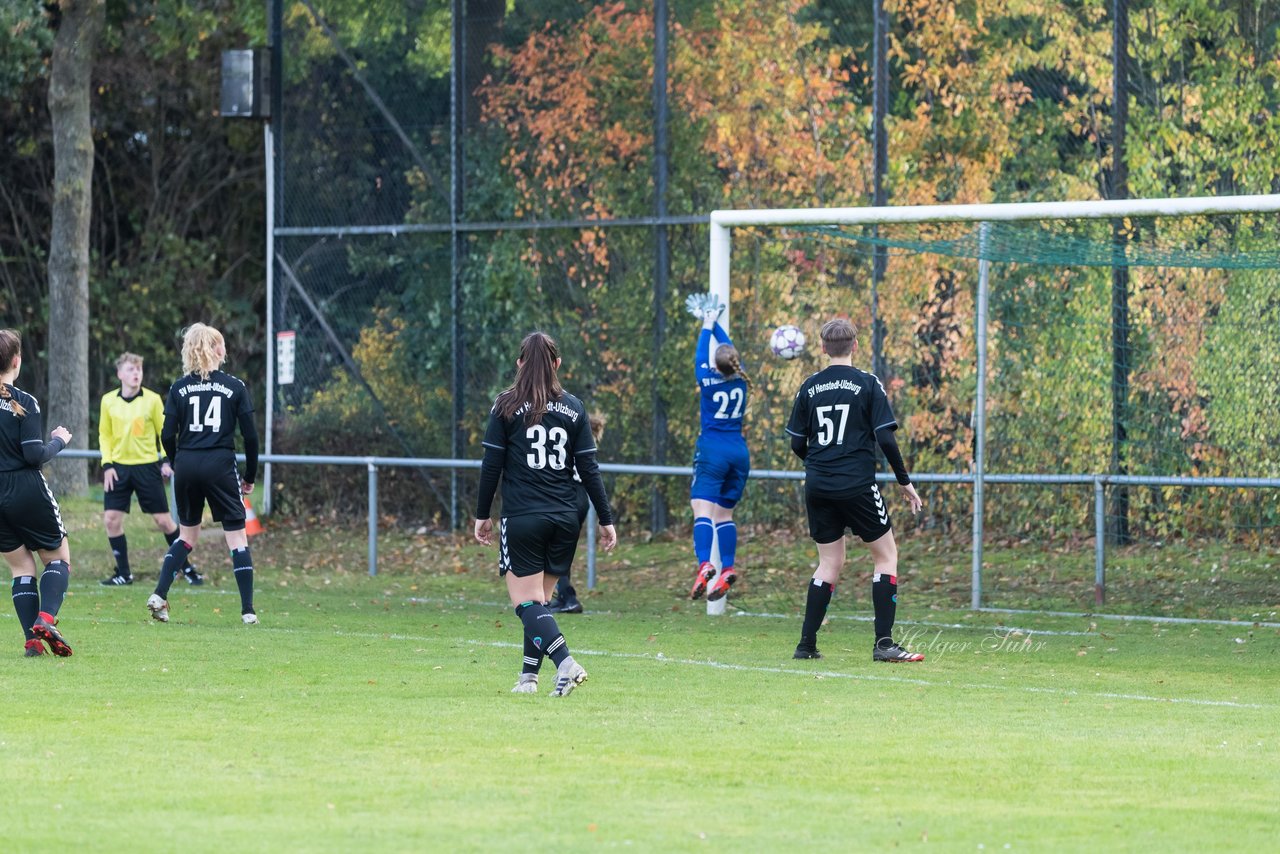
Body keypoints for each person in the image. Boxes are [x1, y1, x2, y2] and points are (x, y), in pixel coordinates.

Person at [474, 332, 617, 697]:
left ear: (520, 363)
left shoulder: (505, 405)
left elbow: (491, 466)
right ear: (557, 364)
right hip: (566, 518)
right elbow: (590, 469)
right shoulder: (574, 407)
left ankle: (566, 664)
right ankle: (528, 679)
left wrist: (482, 514)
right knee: (539, 605)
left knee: (525, 604)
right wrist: (605, 518)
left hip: (524, 516)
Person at [785, 317, 924, 663]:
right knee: (886, 556)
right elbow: (886, 438)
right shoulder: (867, 383)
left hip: (817, 484)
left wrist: (819, 463)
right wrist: (904, 481)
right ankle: (884, 645)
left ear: (822, 348)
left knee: (829, 562)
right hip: (857, 484)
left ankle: (806, 645)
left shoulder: (808, 386)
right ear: (855, 346)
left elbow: (797, 442)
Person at [146, 323, 259, 625]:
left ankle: (159, 594)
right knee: (237, 538)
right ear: (213, 349)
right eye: (220, 344)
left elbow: (167, 434)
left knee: (186, 536)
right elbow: (250, 438)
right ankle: (248, 611)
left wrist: (177, 460)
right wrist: (250, 475)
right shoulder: (235, 386)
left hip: (187, 465)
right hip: (219, 465)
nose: (225, 349)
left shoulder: (178, 387)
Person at [0, 329, 75, 657]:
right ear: (16, 361)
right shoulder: (23, 402)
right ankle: (45, 620)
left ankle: (32, 644)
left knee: (21, 568)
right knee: (58, 558)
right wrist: (60, 440)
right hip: (25, 487)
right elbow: (34, 456)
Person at [98, 352, 203, 586]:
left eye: (139, 369)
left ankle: (186, 567)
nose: (136, 373)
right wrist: (107, 464)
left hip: (146, 468)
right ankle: (124, 573)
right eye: (131, 369)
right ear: (120, 374)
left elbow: (164, 432)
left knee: (164, 522)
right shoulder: (108, 401)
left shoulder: (153, 399)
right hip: (118, 469)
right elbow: (104, 435)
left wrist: (167, 461)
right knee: (111, 520)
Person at [687, 297, 750, 602]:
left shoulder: (707, 379)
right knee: (725, 514)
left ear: (715, 364)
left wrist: (707, 323)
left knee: (702, 510)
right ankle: (727, 569)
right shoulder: (742, 378)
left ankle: (704, 565)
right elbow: (730, 352)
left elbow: (701, 354)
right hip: (739, 453)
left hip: (713, 451)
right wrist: (719, 330)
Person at [548, 411, 607, 615]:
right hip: (581, 498)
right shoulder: (584, 440)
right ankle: (563, 596)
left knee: (551, 549)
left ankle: (567, 596)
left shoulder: (564, 436)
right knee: (561, 550)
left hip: (566, 495)